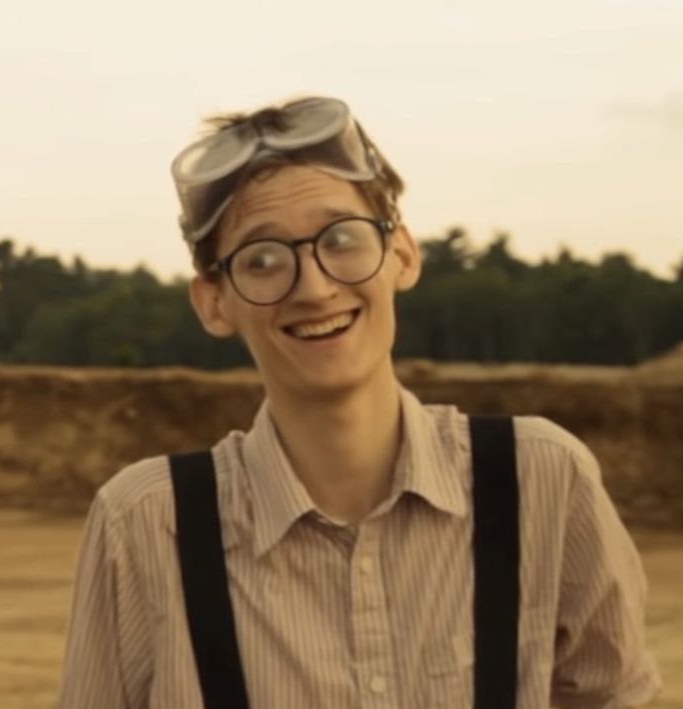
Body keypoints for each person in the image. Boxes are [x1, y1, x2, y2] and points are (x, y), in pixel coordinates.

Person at [58, 96, 661, 708]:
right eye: (262, 259)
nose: (315, 288)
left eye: (341, 239)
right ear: (214, 302)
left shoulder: (541, 479)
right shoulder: (143, 525)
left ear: (401, 254)